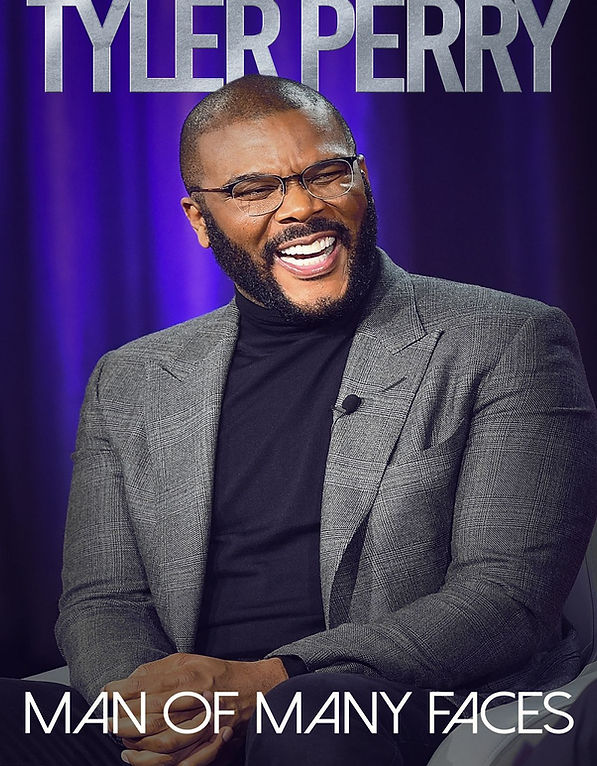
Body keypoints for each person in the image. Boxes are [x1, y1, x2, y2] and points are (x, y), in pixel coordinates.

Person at [2, 75, 596, 766]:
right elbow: (103, 599)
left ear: (362, 178)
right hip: (188, 716)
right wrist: (150, 708)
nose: (303, 207)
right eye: (254, 189)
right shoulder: (131, 378)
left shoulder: (506, 338)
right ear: (199, 220)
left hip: (390, 697)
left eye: (326, 173)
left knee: (310, 717)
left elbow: (505, 601)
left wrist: (262, 682)